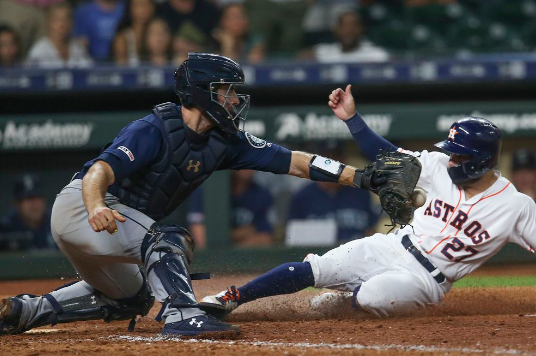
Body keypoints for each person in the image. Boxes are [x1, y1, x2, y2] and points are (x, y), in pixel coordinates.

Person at [0, 53, 364, 337]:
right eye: (226, 90)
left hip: (115, 227)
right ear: (203, 92)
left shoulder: (224, 141)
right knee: (169, 238)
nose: (235, 99)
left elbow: (294, 162)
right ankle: (181, 315)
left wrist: (358, 177)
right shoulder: (154, 127)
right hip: (83, 209)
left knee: (132, 298)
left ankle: (24, 312)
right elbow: (100, 171)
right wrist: (95, 205)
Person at [200, 84, 536, 319]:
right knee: (315, 267)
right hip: (393, 244)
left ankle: (341, 300)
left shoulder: (517, 207)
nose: (449, 157)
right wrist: (352, 119)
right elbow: (387, 157)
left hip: (426, 282)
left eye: (459, 154)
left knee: (371, 298)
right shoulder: (437, 164)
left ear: (482, 160)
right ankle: (232, 297)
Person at [25, 2, 93, 68]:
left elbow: (90, 73)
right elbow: (29, 76)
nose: (62, 24)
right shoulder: (39, 50)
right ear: (48, 22)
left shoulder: (78, 47)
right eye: (57, 20)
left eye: (66, 19)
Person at [310, 10, 390, 63]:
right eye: (343, 26)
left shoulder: (376, 55)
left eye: (353, 26)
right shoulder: (322, 53)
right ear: (336, 29)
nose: (348, 30)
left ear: (361, 29)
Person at [0, 175, 54, 252]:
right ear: (16, 204)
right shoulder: (5, 229)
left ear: (44, 200)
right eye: (27, 198)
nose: (33, 203)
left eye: (37, 197)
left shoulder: (57, 223)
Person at [112, 0, 156, 66]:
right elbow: (121, 69)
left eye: (147, 5)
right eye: (139, 5)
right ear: (130, 9)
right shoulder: (123, 38)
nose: (144, 9)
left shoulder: (159, 34)